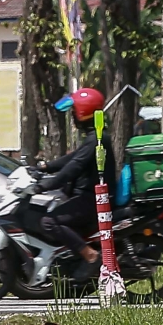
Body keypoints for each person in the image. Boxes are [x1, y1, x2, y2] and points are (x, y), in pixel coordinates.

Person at [33, 87, 115, 281]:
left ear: (82, 113)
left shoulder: (96, 139)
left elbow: (73, 168)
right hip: (89, 196)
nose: (71, 117)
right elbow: (72, 160)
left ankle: (90, 255)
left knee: (49, 221)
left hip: (91, 199)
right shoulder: (94, 137)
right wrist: (45, 167)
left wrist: (44, 186)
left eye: (73, 113)